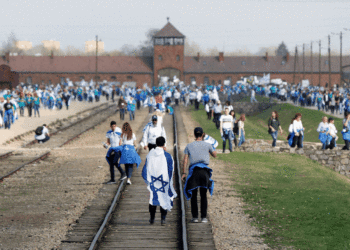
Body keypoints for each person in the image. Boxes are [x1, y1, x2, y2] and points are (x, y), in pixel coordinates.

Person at [182, 127, 217, 223]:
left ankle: (195, 217)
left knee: (194, 194)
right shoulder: (208, 144)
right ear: (202, 135)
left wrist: (184, 173)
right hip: (204, 172)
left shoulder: (189, 146)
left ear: (194, 135)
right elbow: (215, 154)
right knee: (203, 195)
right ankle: (204, 217)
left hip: (194, 172)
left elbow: (185, 160)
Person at [142, 136, 177, 225]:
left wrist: (148, 180)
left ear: (156, 143)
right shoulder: (168, 156)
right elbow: (171, 170)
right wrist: (169, 182)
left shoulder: (150, 154)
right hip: (164, 181)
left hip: (153, 181)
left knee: (153, 199)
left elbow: (145, 169)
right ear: (164, 144)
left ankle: (152, 218)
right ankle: (163, 219)